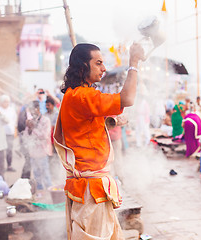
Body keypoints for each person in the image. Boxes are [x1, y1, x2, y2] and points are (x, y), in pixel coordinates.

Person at [53, 43, 144, 239]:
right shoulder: (83, 96)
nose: (104, 68)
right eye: (98, 63)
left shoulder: (73, 95)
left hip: (86, 188)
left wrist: (109, 121)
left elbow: (84, 128)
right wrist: (133, 62)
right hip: (91, 191)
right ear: (83, 67)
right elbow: (127, 98)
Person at [23, 101, 52, 192]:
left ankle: (50, 192)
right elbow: (26, 136)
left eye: (32, 110)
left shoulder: (45, 120)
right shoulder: (31, 121)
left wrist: (33, 128)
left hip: (42, 152)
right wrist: (28, 129)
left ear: (37, 109)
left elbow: (45, 136)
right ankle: (40, 192)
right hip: (33, 152)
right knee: (36, 175)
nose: (30, 113)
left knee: (45, 174)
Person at [0, 95, 17, 172]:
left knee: (9, 150)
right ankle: (1, 167)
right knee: (1, 151)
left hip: (10, 133)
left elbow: (14, 120)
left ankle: (9, 165)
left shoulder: (12, 110)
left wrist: (15, 130)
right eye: (5, 101)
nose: (7, 103)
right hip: (1, 133)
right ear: (2, 102)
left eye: (8, 102)